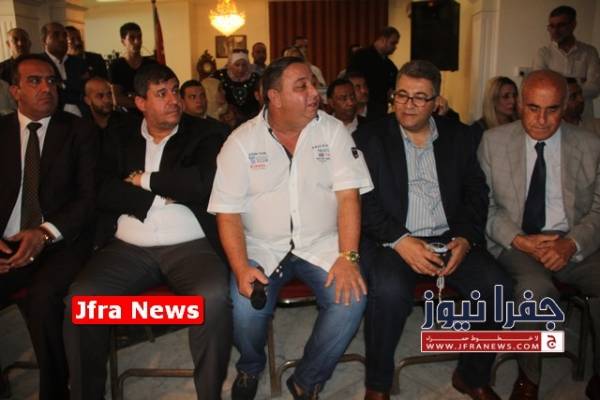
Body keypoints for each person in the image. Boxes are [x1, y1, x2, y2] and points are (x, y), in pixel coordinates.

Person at [63, 63, 231, 400]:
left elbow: (202, 183)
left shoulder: (207, 133)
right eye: (161, 93)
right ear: (140, 102)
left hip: (192, 246)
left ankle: (209, 394)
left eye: (175, 91)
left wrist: (142, 180)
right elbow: (101, 188)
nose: (174, 100)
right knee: (81, 301)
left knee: (212, 299)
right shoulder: (117, 135)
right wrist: (160, 197)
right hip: (127, 248)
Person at [208, 56, 373, 399]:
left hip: (322, 242)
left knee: (351, 299)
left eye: (313, 83)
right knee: (244, 307)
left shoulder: (333, 131)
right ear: (275, 97)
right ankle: (250, 366)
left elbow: (348, 198)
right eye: (302, 86)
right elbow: (228, 214)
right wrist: (240, 268)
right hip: (262, 246)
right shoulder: (240, 142)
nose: (314, 92)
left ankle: (306, 380)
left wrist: (349, 256)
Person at [357, 60, 511, 400]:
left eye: (419, 97)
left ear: (436, 101)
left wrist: (466, 239)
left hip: (449, 238)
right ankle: (378, 385)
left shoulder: (460, 137)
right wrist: (401, 240)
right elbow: (362, 201)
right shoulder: (369, 137)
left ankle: (471, 376)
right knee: (389, 292)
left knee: (497, 287)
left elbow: (476, 193)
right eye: (402, 95)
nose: (408, 105)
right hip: (393, 240)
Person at [478, 69, 600, 400]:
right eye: (533, 108)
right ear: (520, 104)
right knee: (535, 292)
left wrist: (571, 243)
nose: (542, 120)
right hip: (517, 242)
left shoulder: (590, 145)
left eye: (552, 109)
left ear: (567, 105)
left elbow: (598, 209)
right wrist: (519, 239)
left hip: (573, 240)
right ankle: (529, 377)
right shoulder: (493, 142)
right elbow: (483, 206)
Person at [0, 54, 97, 400]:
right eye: (34, 81)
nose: (46, 88)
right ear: (15, 91)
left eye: (51, 81)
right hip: (8, 242)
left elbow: (88, 198)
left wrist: (43, 234)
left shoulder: (79, 131)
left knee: (43, 299)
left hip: (60, 241)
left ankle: (55, 391)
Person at [533, 5, 600, 118]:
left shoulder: (590, 52)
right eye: (552, 26)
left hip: (583, 117)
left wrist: (556, 83)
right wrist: (578, 82)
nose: (555, 31)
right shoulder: (543, 53)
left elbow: (594, 88)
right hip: (554, 118)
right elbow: (541, 86)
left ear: (573, 25)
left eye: (560, 25)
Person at [348, 26, 399, 118]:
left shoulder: (389, 64)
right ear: (383, 40)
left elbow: (395, 83)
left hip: (380, 109)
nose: (395, 47)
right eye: (393, 43)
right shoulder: (361, 56)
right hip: (361, 107)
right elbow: (351, 80)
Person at [40, 22, 88, 117]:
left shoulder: (79, 62)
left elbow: (85, 90)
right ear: (44, 40)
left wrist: (61, 84)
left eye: (64, 35)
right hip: (52, 116)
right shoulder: (39, 63)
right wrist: (72, 85)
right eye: (56, 35)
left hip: (82, 116)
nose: (62, 39)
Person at [108, 22, 156, 110]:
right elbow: (117, 98)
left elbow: (155, 91)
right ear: (123, 41)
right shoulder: (116, 66)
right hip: (126, 114)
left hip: (150, 112)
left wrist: (132, 97)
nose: (137, 41)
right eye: (132, 38)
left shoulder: (151, 65)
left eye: (139, 37)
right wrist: (143, 103)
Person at [212, 48, 261, 125]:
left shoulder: (255, 78)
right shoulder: (219, 77)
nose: (241, 68)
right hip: (226, 121)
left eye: (244, 65)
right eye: (237, 65)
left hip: (251, 121)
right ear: (230, 65)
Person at [470, 76, 519, 147]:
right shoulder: (477, 130)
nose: (513, 101)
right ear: (493, 99)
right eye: (506, 96)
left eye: (514, 95)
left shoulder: (519, 125)